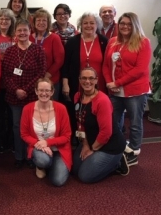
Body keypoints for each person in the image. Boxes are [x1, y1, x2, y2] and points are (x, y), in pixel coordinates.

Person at [103, 12, 151, 166]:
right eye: (122, 23)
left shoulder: (143, 42)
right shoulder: (112, 42)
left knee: (135, 123)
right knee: (113, 120)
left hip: (135, 91)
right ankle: (119, 146)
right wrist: (110, 82)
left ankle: (134, 151)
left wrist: (118, 83)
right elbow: (105, 65)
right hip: (115, 91)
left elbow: (140, 69)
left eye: (129, 24)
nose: (125, 26)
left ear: (135, 25)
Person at [72, 67, 129, 183]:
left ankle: (117, 163)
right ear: (79, 80)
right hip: (92, 140)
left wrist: (92, 149)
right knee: (75, 170)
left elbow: (106, 132)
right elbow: (80, 123)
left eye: (91, 78)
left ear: (96, 80)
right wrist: (85, 145)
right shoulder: (77, 96)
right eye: (84, 78)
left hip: (110, 145)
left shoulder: (102, 100)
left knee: (85, 176)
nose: (87, 81)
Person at [3, 19, 46, 168]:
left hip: (32, 96)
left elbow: (41, 73)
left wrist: (26, 90)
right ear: (15, 33)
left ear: (30, 32)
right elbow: (6, 75)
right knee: (17, 127)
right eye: (19, 30)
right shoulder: (10, 51)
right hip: (14, 97)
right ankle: (19, 156)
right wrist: (16, 90)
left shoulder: (37, 50)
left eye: (25, 30)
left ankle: (31, 156)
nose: (22, 33)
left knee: (32, 127)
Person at [62, 12, 108, 144]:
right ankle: (78, 140)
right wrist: (65, 84)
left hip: (99, 85)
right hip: (78, 85)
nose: (88, 25)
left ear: (97, 25)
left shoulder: (104, 41)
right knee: (78, 113)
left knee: (97, 113)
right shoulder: (73, 42)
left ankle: (97, 140)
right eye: (85, 23)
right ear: (81, 25)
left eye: (92, 23)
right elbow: (65, 65)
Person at [20, 78, 72, 186]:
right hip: (38, 147)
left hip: (59, 149)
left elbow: (66, 136)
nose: (44, 93)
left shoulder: (61, 108)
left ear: (52, 92)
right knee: (43, 160)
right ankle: (42, 165)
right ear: (36, 91)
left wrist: (47, 143)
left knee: (58, 181)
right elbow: (24, 134)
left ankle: (51, 164)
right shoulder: (27, 109)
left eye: (47, 90)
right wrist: (40, 144)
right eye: (41, 90)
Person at [0, 8, 16, 153]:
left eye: (7, 19)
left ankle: (10, 142)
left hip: (12, 81)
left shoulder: (15, 37)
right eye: (1, 19)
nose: (4, 21)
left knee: (12, 115)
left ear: (11, 22)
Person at [29, 8, 65, 100]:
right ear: (34, 22)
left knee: (49, 109)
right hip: (31, 81)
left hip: (50, 81)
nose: (41, 22)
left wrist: (45, 77)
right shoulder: (29, 38)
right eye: (38, 20)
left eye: (44, 20)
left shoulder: (54, 38)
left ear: (48, 22)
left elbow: (59, 61)